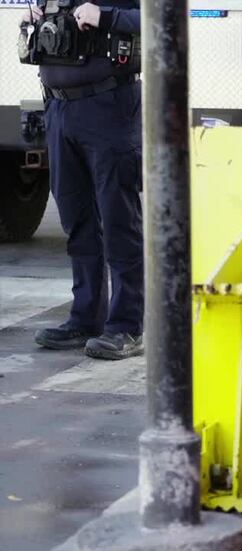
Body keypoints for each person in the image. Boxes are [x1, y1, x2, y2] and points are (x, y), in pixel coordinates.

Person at [21, 1, 144, 360]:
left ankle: (126, 325)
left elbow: (164, 19)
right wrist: (35, 21)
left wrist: (106, 17)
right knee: (77, 220)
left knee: (119, 218)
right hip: (59, 109)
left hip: (109, 106)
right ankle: (85, 317)